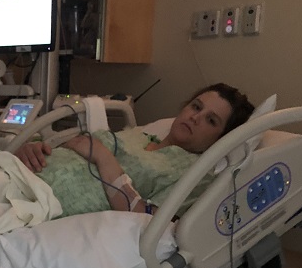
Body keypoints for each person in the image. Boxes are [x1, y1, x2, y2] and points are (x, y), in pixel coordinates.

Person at [15, 84, 254, 218]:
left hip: (37, 205)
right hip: (20, 174)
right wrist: (35, 149)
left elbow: (149, 222)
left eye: (211, 120)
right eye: (196, 106)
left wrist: (103, 158)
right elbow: (74, 149)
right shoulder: (137, 136)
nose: (195, 117)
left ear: (220, 139)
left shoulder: (194, 174)